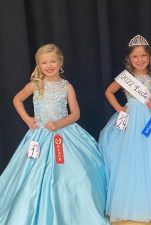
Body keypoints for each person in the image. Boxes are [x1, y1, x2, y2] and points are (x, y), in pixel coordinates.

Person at [0, 44, 109, 225]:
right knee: (29, 178)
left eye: (52, 61)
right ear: (38, 65)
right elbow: (17, 99)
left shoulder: (67, 87)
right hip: (39, 136)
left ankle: (74, 213)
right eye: (44, 63)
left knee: (79, 175)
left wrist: (58, 123)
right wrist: (27, 119)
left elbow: (75, 114)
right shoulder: (35, 85)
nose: (49, 66)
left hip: (65, 134)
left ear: (60, 62)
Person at [98, 34, 151, 222]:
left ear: (150, 57)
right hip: (130, 119)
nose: (140, 60)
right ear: (129, 59)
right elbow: (109, 91)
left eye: (143, 56)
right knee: (128, 159)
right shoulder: (126, 77)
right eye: (135, 57)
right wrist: (119, 108)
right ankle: (130, 203)